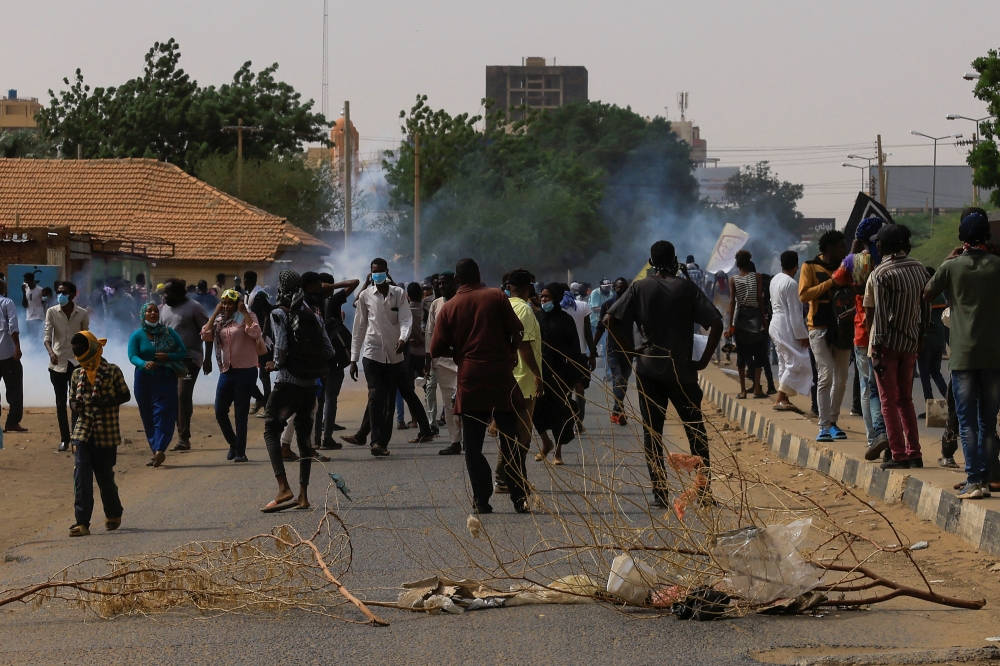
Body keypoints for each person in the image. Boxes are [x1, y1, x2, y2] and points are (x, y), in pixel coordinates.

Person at [607, 241, 723, 508]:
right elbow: (716, 322)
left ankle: (659, 493)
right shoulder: (687, 287)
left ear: (651, 261)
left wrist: (630, 351)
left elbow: (610, 320)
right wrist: (703, 360)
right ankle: (704, 492)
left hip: (649, 369)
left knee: (653, 433)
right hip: (681, 370)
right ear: (675, 259)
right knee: (696, 431)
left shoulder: (639, 288)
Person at [430, 258, 529, 514]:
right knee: (510, 438)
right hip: (499, 375)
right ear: (479, 275)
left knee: (472, 445)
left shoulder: (449, 307)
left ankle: (481, 500)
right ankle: (519, 497)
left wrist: (460, 351)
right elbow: (517, 331)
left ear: (456, 281)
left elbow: (435, 348)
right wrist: (509, 352)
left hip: (470, 377)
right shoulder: (496, 296)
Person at [925, 208, 1000, 499]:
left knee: (966, 421)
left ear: (961, 238)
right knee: (987, 422)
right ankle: (986, 475)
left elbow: (926, 293)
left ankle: (975, 481)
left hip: (962, 357)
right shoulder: (997, 265)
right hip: (994, 355)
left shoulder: (952, 267)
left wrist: (948, 261)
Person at [261, 270, 335, 512]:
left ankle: (283, 487)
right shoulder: (312, 312)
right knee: (304, 439)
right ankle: (303, 495)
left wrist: (275, 363)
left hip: (287, 383)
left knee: (272, 428)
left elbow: (280, 347)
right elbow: (329, 348)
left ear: (281, 286)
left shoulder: (279, 313)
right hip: (310, 384)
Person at [864, 224, 929, 470]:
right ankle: (915, 453)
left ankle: (899, 454)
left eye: (878, 243)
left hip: (888, 345)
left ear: (884, 246)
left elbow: (879, 316)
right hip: (911, 343)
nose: (876, 246)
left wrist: (876, 349)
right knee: (906, 400)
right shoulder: (919, 269)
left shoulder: (882, 273)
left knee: (887, 401)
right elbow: (923, 309)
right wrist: (921, 337)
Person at [834, 217, 890, 459]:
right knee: (891, 389)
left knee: (869, 389)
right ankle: (893, 436)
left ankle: (873, 436)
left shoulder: (856, 261)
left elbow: (836, 278)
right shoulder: (891, 262)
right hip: (891, 331)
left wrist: (852, 252)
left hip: (863, 332)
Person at [67, 332, 131, 537]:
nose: (80, 358)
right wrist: (75, 405)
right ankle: (82, 522)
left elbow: (125, 394)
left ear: (93, 349)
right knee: (81, 476)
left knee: (105, 476)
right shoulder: (77, 373)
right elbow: (71, 400)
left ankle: (113, 513)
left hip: (107, 432)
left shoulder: (112, 371)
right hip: (82, 431)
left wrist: (104, 402)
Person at [349, 258, 412, 457]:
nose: (378, 275)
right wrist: (353, 358)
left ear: (387, 272)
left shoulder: (399, 294)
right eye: (374, 272)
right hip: (372, 353)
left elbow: (405, 320)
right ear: (371, 273)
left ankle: (382, 442)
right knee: (375, 396)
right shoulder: (365, 296)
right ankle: (374, 442)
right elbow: (358, 328)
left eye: (380, 271)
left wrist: (403, 339)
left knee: (389, 399)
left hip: (394, 355)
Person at [494, 268, 544, 492]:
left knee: (509, 431)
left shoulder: (503, 305)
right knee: (522, 436)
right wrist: (537, 374)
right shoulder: (524, 309)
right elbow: (524, 345)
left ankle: (505, 477)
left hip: (506, 376)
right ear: (529, 288)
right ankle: (511, 478)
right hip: (523, 378)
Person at [799, 229, 850, 443]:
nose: (844, 250)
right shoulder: (810, 266)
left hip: (842, 328)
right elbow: (804, 295)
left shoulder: (846, 267)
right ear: (830, 248)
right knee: (826, 374)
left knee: (842, 378)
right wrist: (832, 282)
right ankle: (823, 425)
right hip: (818, 326)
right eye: (841, 247)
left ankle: (833, 421)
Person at [201, 289, 262, 462]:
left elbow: (255, 333)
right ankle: (233, 443)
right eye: (224, 303)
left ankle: (240, 452)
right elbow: (205, 334)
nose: (226, 306)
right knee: (220, 411)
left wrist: (244, 312)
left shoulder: (247, 317)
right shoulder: (220, 321)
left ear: (238, 304)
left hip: (246, 371)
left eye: (230, 303)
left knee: (241, 413)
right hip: (227, 371)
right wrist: (214, 314)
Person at [129, 302, 187, 467]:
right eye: (149, 311)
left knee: (164, 413)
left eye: (155, 310)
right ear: (143, 314)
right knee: (147, 414)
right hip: (144, 379)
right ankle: (155, 451)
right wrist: (143, 364)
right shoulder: (137, 335)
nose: (153, 313)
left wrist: (168, 356)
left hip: (165, 378)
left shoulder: (169, 332)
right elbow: (132, 356)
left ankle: (160, 447)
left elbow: (182, 352)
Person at [159, 279, 212, 451]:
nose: (164, 296)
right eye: (164, 293)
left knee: (182, 394)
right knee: (171, 396)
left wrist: (208, 358)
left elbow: (208, 333)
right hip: (168, 360)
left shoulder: (195, 307)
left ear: (179, 293)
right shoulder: (164, 309)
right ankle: (170, 434)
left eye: (167, 293)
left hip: (189, 358)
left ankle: (184, 437)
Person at [310, 272, 359, 449]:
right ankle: (327, 438)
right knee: (330, 399)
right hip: (333, 358)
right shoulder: (333, 299)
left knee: (318, 401)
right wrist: (333, 287)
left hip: (316, 358)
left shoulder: (310, 302)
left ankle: (315, 440)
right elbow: (355, 282)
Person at [533, 283, 579, 465]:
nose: (543, 300)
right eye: (542, 296)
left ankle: (557, 452)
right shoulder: (536, 318)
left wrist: (576, 377)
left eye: (547, 297)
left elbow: (574, 349)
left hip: (560, 373)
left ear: (557, 298)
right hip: (538, 372)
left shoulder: (566, 320)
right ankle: (546, 442)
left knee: (560, 412)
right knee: (536, 410)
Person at [45, 281, 90, 452]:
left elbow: (86, 336)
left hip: (77, 363)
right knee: (60, 402)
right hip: (57, 363)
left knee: (76, 402)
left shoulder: (82, 313)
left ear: (73, 295)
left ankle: (77, 437)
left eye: (64, 292)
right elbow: (47, 335)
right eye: (59, 292)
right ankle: (65, 439)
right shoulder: (52, 312)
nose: (60, 295)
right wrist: (51, 352)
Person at [425, 271, 464, 455]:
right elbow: (430, 333)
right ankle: (455, 441)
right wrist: (428, 357)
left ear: (455, 282)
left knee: (465, 400)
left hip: (464, 358)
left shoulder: (464, 301)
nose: (441, 287)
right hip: (443, 361)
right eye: (439, 284)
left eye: (445, 283)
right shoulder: (436, 304)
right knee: (449, 403)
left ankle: (472, 437)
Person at [768, 251, 812, 412]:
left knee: (784, 361)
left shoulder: (775, 279)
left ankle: (783, 398)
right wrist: (802, 335)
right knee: (797, 361)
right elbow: (795, 313)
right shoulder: (792, 284)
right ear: (796, 265)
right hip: (785, 325)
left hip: (776, 323)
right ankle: (780, 396)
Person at [727, 250, 770, 399]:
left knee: (742, 354)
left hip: (741, 319)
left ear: (737, 264)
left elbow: (732, 302)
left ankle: (743, 390)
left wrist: (729, 325)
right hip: (755, 317)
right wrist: (764, 321)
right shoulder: (757, 277)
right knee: (758, 353)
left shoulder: (733, 280)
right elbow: (760, 299)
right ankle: (757, 388)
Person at [561, 284, 597, 433]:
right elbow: (588, 333)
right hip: (580, 354)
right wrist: (592, 353)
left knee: (566, 391)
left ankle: (570, 421)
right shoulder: (582, 306)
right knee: (579, 390)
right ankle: (577, 421)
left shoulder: (557, 307)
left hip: (563, 354)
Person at [595, 277, 631, 425]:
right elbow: (600, 327)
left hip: (630, 349)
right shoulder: (607, 304)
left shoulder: (632, 305)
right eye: (618, 287)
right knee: (618, 379)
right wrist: (592, 348)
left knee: (625, 380)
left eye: (624, 287)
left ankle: (616, 412)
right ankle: (620, 410)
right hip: (613, 349)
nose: (620, 290)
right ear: (614, 288)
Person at [917, 266, 949, 412]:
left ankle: (930, 407)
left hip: (926, 340)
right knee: (936, 372)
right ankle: (949, 400)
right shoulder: (941, 295)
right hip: (939, 340)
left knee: (925, 374)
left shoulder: (926, 295)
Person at [243, 271, 273, 413]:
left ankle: (267, 405)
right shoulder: (248, 296)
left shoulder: (259, 295)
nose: (243, 282)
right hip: (251, 336)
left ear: (250, 280)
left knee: (263, 373)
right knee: (247, 370)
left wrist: (263, 335)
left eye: (245, 280)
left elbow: (267, 316)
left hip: (261, 338)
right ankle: (260, 398)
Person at [0, 280, 25, 433]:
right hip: (7, 352)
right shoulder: (7, 302)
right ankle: (12, 422)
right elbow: (13, 326)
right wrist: (17, 346)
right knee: (14, 389)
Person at [21, 272, 45, 344]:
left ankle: (40, 351)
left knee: (39, 336)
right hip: (29, 317)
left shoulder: (40, 290)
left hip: (38, 316)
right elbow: (24, 305)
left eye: (26, 280)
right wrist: (23, 292)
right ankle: (33, 352)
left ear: (31, 280)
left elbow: (44, 303)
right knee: (31, 337)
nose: (25, 282)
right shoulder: (26, 290)